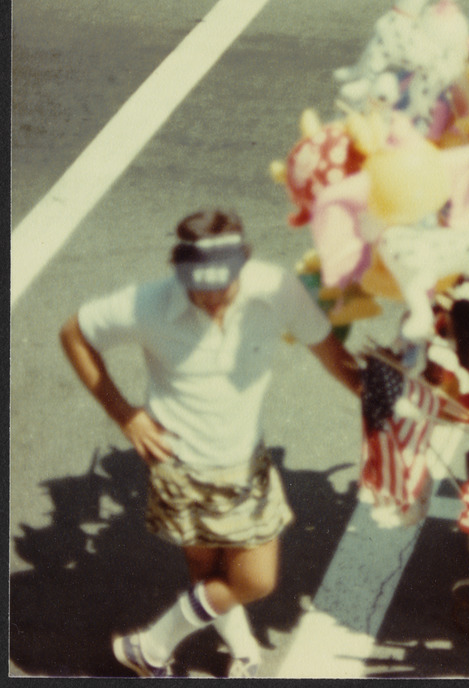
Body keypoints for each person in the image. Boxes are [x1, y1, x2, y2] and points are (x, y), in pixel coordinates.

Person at [59, 208, 363, 678]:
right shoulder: (149, 304)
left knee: (254, 581)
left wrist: (382, 402)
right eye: (197, 282)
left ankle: (151, 648)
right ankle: (243, 653)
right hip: (179, 470)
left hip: (246, 465)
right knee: (209, 577)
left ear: (244, 264)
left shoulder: (277, 289)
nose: (209, 295)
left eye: (221, 282)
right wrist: (127, 416)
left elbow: (332, 354)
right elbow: (75, 334)